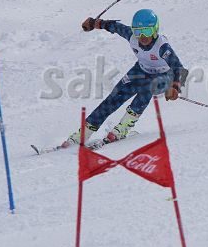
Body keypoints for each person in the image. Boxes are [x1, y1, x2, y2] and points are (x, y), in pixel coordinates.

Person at [62, 9, 186, 147]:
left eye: (147, 31)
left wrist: (175, 87)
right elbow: (115, 27)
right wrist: (94, 23)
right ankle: (84, 132)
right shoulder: (132, 36)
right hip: (141, 70)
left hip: (164, 76)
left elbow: (180, 69)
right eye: (138, 32)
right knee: (115, 97)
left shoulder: (162, 47)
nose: (143, 37)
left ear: (155, 30)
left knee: (148, 86)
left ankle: (123, 127)